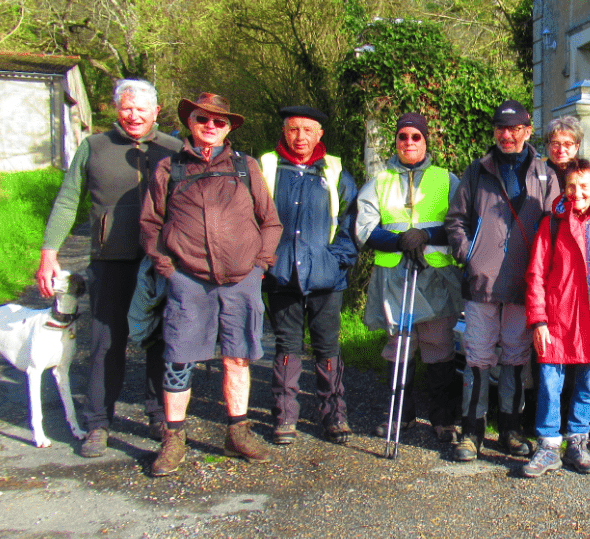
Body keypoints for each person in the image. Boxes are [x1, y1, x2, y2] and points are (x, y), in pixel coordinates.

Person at [139, 93, 283, 476]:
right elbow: (150, 223)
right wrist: (165, 265)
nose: (211, 127)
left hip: (241, 280)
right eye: (204, 119)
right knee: (179, 358)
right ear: (191, 122)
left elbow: (271, 221)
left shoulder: (244, 166)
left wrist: (260, 264)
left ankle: (237, 431)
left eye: (219, 122)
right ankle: (174, 438)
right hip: (188, 280)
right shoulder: (170, 168)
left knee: (237, 356)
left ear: (228, 128)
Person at [37, 79, 181, 458]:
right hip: (110, 260)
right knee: (105, 342)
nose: (134, 116)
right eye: (127, 108)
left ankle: (160, 416)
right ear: (118, 110)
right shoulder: (95, 147)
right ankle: (98, 422)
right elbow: (68, 200)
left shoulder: (174, 148)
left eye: (141, 109)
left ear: (156, 111)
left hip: (158, 261)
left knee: (159, 339)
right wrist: (49, 251)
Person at [445, 100, 560, 461]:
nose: (506, 135)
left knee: (515, 357)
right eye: (500, 129)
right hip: (482, 283)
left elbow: (556, 226)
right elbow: (456, 220)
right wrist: (469, 254)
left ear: (528, 131)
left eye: (514, 129)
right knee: (477, 357)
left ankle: (511, 429)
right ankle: (471, 432)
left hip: (525, 285)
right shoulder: (477, 171)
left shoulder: (546, 175)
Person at [357, 112, 464, 443]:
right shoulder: (379, 181)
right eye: (403, 136)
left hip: (436, 278)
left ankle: (443, 419)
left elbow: (459, 224)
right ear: (396, 141)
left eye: (415, 137)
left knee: (439, 348)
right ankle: (399, 418)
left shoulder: (447, 179)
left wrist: (426, 235)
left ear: (426, 140)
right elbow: (363, 228)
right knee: (399, 348)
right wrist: (400, 240)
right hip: (395, 278)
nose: (409, 143)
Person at [522, 159, 590, 477]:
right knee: (549, 385)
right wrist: (538, 321)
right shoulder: (551, 224)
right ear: (564, 189)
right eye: (571, 185)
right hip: (557, 320)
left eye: (584, 186)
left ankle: (577, 443)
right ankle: (548, 446)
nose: (577, 192)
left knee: (587, 386)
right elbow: (536, 274)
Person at [261, 106, 359, 446]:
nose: (300, 137)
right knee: (287, 346)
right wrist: (263, 262)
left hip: (325, 277)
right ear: (284, 132)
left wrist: (337, 262)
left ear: (320, 135)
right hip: (281, 274)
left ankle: (334, 416)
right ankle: (285, 417)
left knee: (327, 347)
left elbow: (351, 222)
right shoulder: (267, 169)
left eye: (307, 130)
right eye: (293, 129)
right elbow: (251, 219)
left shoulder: (335, 172)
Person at [543, 115, 583, 188]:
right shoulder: (537, 173)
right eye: (555, 143)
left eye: (568, 144)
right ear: (548, 145)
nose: (561, 150)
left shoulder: (585, 174)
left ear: (577, 147)